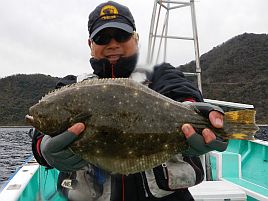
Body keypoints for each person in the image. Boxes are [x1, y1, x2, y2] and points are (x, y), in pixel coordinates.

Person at [30, 1, 228, 201]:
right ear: (90, 44)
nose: (113, 44)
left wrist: (197, 116)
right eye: (102, 38)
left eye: (122, 36)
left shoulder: (160, 76)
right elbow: (40, 133)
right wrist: (42, 149)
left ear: (136, 38)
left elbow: (181, 92)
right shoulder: (69, 88)